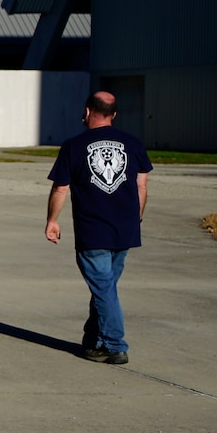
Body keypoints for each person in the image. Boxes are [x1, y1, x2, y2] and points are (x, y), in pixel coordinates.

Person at [46, 90, 151, 364]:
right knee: (105, 288)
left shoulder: (73, 145)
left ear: (87, 111)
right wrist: (136, 218)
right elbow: (141, 186)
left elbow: (61, 187)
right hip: (125, 229)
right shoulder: (134, 144)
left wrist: (52, 220)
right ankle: (95, 341)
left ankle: (115, 344)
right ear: (114, 115)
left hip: (93, 231)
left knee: (103, 289)